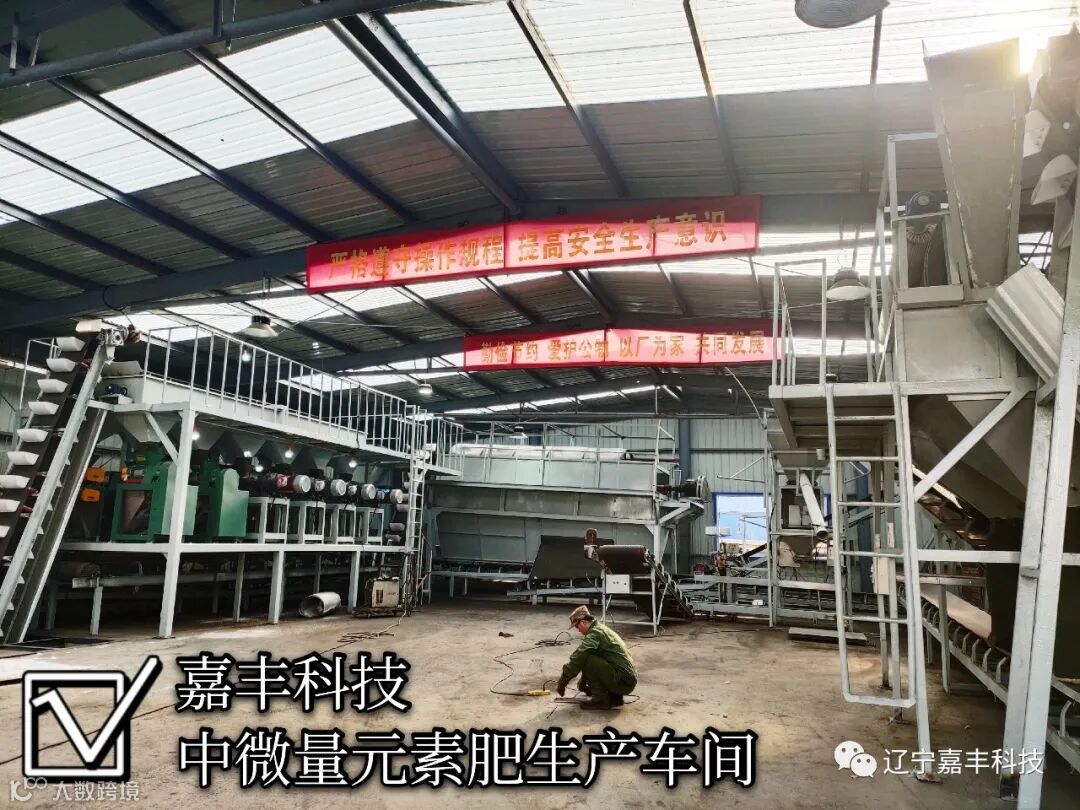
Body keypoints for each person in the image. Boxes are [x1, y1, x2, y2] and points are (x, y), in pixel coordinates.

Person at [555, 605, 637, 710]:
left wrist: (563, 681)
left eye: (577, 627)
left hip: (623, 682)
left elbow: (579, 657)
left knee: (588, 658)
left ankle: (600, 700)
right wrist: (583, 683)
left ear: (583, 622)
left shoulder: (595, 634)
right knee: (591, 656)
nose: (578, 630)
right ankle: (614, 697)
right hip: (625, 680)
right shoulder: (600, 629)